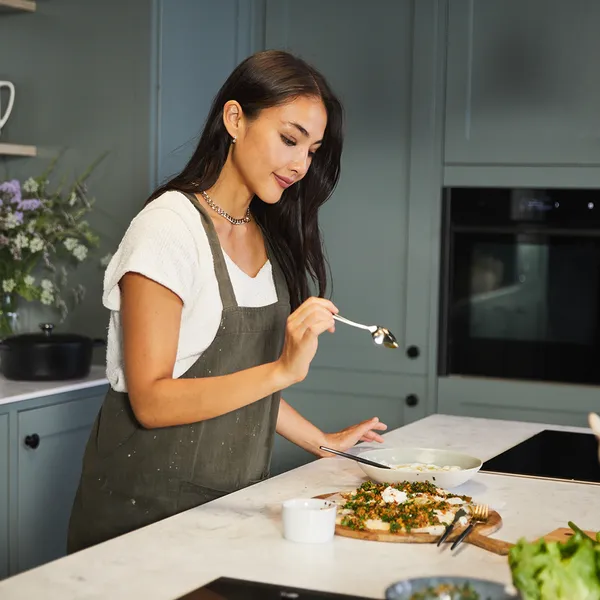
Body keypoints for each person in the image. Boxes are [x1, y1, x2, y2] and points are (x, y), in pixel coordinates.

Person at [67, 49, 387, 553]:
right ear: (235, 118)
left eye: (313, 150)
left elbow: (229, 380)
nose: (301, 165)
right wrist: (283, 369)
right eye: (289, 140)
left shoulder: (263, 232)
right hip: (144, 518)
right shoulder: (167, 229)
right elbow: (151, 401)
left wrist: (324, 443)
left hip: (230, 509)